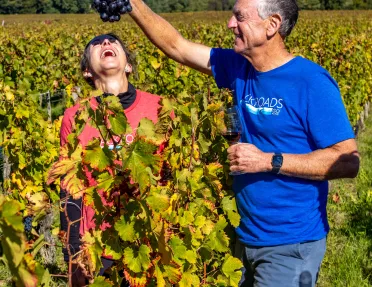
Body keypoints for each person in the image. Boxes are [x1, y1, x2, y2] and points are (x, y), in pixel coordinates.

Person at [126, 0, 360, 286]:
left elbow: (348, 160)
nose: (229, 24)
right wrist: (132, 3)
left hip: (290, 242)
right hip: (243, 237)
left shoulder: (311, 82)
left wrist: (269, 160)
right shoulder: (237, 67)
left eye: (240, 17)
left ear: (272, 25)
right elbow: (177, 46)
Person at [59, 33, 162, 286]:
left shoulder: (159, 109)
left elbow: (170, 179)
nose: (105, 43)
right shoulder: (75, 117)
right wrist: (73, 254)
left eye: (113, 40)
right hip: (96, 248)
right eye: (96, 43)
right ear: (86, 72)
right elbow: (70, 190)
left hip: (149, 245)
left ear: (128, 65)